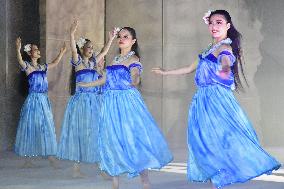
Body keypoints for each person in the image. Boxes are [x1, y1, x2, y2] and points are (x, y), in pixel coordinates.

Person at [152, 9, 280, 189]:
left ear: (228, 26)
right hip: (202, 100)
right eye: (211, 23)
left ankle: (222, 179)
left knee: (217, 140)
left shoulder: (225, 48)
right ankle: (215, 181)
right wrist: (166, 72)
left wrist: (225, 69)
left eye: (218, 22)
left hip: (216, 100)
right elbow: (189, 68)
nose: (213, 26)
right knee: (205, 141)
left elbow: (226, 61)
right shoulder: (208, 50)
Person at [78, 27, 173, 189]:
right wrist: (87, 84)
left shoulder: (134, 59)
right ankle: (115, 183)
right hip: (110, 103)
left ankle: (145, 181)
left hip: (126, 102)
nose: (121, 39)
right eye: (120, 37)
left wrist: (134, 80)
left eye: (126, 37)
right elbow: (104, 80)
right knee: (111, 139)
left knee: (133, 139)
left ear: (133, 41)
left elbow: (135, 75)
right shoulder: (115, 58)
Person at [56, 20, 117, 178]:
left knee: (96, 133)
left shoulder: (93, 63)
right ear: (82, 48)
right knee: (79, 132)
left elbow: (103, 51)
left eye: (92, 47)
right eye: (89, 47)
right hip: (81, 102)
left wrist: (111, 38)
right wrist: (71, 34)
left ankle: (101, 168)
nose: (91, 50)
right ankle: (76, 169)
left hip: (94, 102)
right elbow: (73, 49)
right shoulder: (78, 63)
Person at [15, 37, 66, 168]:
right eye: (35, 50)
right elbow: (20, 61)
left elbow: (54, 63)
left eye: (38, 50)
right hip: (33, 100)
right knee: (31, 127)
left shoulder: (42, 67)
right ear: (30, 53)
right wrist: (17, 49)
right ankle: (28, 159)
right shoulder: (28, 67)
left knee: (47, 126)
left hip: (43, 100)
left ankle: (51, 157)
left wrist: (61, 53)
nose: (38, 51)